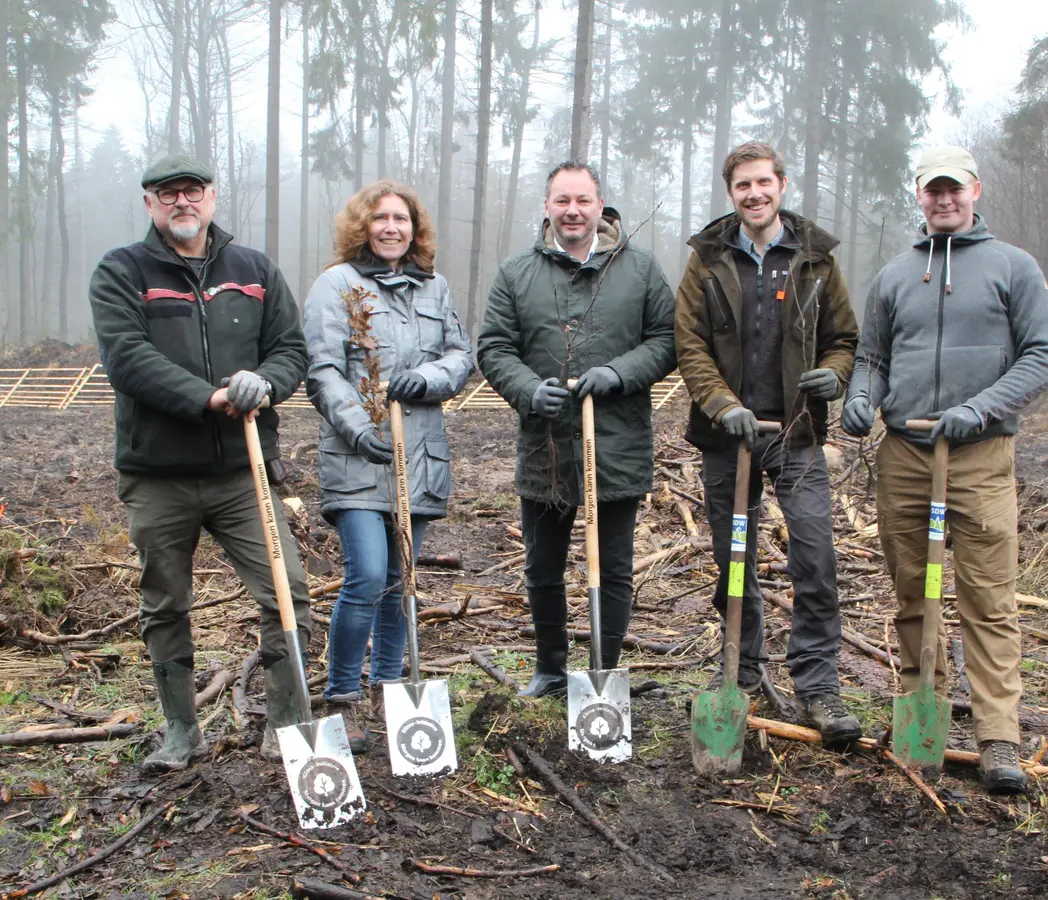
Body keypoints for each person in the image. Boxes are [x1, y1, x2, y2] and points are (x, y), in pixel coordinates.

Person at [841, 145, 1048, 794]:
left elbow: (1042, 356)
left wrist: (980, 409)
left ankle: (998, 739)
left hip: (979, 457)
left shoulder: (1013, 268)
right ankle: (922, 727)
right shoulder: (894, 275)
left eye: (954, 189)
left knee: (988, 600)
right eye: (933, 190)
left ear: (975, 191)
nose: (944, 200)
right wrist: (861, 397)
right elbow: (873, 356)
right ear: (919, 195)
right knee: (917, 595)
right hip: (906, 456)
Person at [88, 155, 311, 773]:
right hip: (158, 476)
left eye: (193, 191)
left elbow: (291, 349)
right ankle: (181, 731)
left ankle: (289, 725)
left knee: (287, 594)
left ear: (212, 197)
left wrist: (263, 383)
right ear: (150, 205)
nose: (182, 202)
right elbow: (126, 358)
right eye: (168, 194)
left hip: (243, 473)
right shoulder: (123, 270)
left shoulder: (254, 270)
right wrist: (208, 397)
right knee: (166, 604)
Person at [672, 141, 863, 747]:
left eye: (763, 183)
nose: (753, 194)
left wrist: (834, 374)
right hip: (729, 440)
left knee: (816, 556)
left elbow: (844, 337)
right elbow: (691, 346)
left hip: (797, 435)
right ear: (731, 194)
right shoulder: (708, 260)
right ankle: (740, 671)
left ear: (782, 185)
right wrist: (723, 406)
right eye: (741, 187)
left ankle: (818, 685)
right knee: (736, 560)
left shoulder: (815, 260)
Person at [476, 162, 677, 697]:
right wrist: (525, 389)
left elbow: (666, 338)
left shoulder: (638, 268)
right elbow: (494, 346)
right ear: (547, 206)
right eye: (562, 200)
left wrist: (619, 372)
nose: (572, 210)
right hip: (546, 444)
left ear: (599, 205)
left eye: (582, 200)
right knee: (543, 566)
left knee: (613, 566)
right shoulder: (518, 272)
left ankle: (603, 670)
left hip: (617, 441)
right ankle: (549, 667)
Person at [301, 181, 473, 751]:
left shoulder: (434, 285)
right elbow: (323, 369)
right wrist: (357, 426)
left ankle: (390, 689)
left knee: (402, 580)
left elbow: (459, 355)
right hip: (358, 455)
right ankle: (344, 695)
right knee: (369, 575)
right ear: (362, 226)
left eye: (402, 218)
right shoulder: (336, 285)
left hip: (419, 455)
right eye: (380, 218)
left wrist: (427, 379)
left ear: (414, 228)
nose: (392, 227)